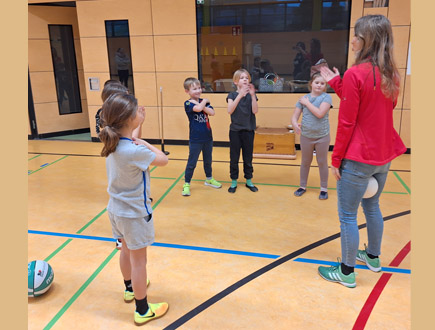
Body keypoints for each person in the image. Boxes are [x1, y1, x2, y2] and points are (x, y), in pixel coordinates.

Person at [317, 15, 406, 288]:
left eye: (355, 35)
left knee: (347, 216)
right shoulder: (390, 74)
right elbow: (372, 108)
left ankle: (346, 272)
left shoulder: (356, 73)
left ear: (365, 40)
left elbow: (348, 121)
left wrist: (335, 159)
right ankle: (373, 257)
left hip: (358, 157)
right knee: (373, 206)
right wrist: (336, 82)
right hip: (383, 155)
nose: (352, 40)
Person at [98, 93, 169, 325]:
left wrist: (140, 129)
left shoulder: (113, 143)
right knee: (140, 262)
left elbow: (131, 140)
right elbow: (162, 159)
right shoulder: (135, 151)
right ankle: (142, 309)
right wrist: (148, 143)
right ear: (128, 119)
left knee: (126, 251)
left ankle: (129, 288)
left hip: (116, 211)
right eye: (138, 110)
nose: (141, 111)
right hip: (135, 213)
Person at [95, 80, 145, 251]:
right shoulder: (107, 120)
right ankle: (121, 235)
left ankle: (121, 233)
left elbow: (133, 139)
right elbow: (132, 139)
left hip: (121, 157)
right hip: (120, 158)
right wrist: (138, 123)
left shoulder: (111, 118)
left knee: (121, 185)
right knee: (121, 187)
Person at [291, 72, 332, 200]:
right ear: (311, 84)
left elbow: (320, 113)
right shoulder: (303, 98)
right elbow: (294, 116)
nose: (319, 85)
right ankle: (302, 186)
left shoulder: (326, 98)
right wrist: (294, 124)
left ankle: (324, 189)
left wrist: (307, 103)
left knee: (322, 162)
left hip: (322, 136)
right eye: (317, 82)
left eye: (322, 83)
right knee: (305, 162)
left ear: (325, 86)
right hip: (306, 136)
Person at [181, 78, 222, 196]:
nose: (198, 90)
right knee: (192, 162)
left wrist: (203, 102)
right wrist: (205, 101)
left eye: (199, 88)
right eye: (194, 89)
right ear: (187, 91)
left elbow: (212, 113)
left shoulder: (203, 102)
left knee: (208, 160)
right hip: (196, 139)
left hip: (208, 137)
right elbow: (198, 109)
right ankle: (187, 183)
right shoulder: (188, 103)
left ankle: (209, 179)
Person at [226, 69, 259, 193]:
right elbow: (230, 110)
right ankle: (234, 181)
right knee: (234, 157)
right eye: (242, 78)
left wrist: (252, 95)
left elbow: (255, 111)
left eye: (247, 78)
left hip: (248, 130)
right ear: (236, 82)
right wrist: (240, 95)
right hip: (235, 131)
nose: (245, 79)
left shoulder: (252, 95)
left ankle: (249, 180)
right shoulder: (232, 95)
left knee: (248, 157)